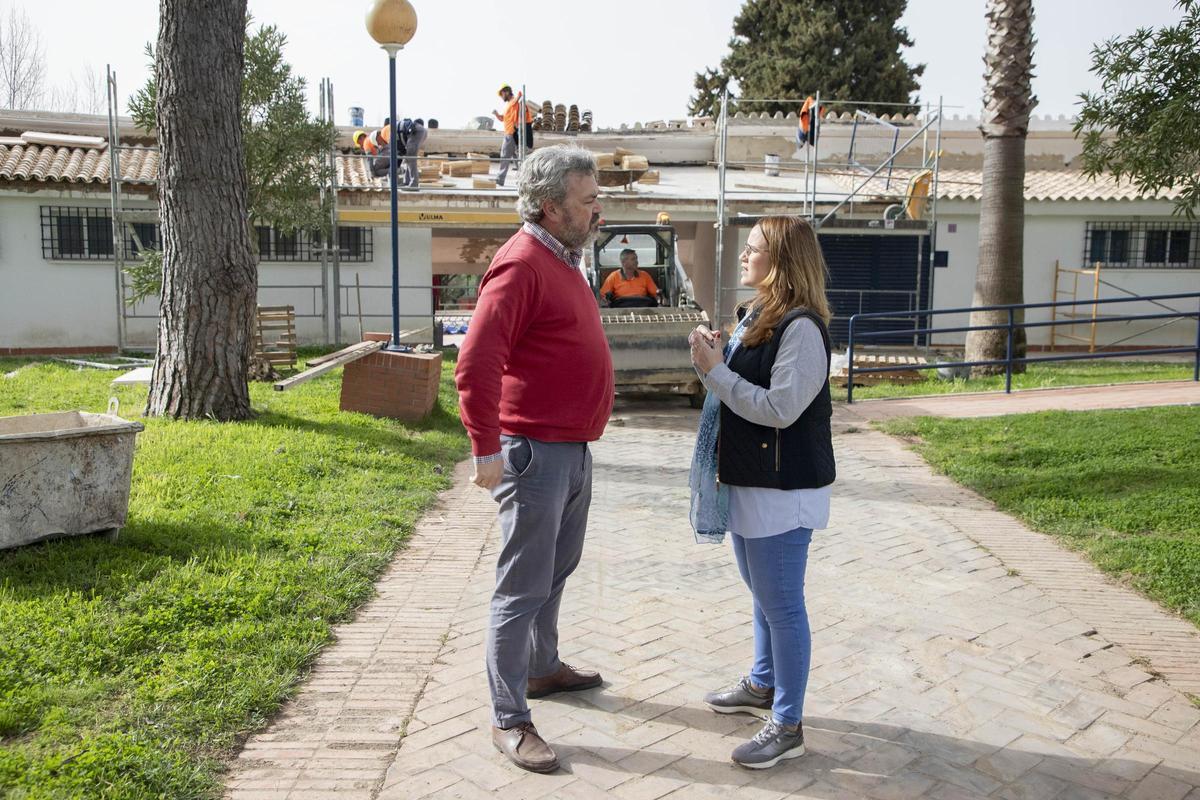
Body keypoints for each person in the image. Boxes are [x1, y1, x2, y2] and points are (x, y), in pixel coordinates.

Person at [455, 145, 613, 774]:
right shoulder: (520, 265)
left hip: (570, 447)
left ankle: (543, 668)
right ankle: (508, 717)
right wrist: (485, 446)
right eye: (587, 201)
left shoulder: (564, 259)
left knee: (556, 569)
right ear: (550, 207)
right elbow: (476, 361)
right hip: (533, 453)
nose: (597, 209)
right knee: (521, 586)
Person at [687, 215, 835, 770]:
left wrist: (714, 372)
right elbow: (740, 384)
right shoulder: (759, 317)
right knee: (763, 595)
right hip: (753, 480)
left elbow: (779, 408)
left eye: (753, 249)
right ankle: (763, 684)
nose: (744, 257)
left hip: (783, 488)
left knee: (782, 605)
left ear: (783, 262)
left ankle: (789, 723)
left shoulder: (802, 328)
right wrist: (719, 356)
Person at [492, 84, 535, 186]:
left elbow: (517, 118)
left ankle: (500, 179)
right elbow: (505, 119)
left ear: (506, 92)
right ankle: (524, 180)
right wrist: (497, 115)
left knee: (505, 156)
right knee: (517, 158)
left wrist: (516, 130)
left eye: (502, 94)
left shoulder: (515, 102)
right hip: (513, 134)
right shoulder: (510, 104)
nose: (501, 97)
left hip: (511, 134)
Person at [400, 117, 427, 189]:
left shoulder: (415, 126)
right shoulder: (423, 130)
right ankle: (407, 181)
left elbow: (404, 137)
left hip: (412, 145)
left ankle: (413, 184)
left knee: (411, 162)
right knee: (410, 162)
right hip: (416, 145)